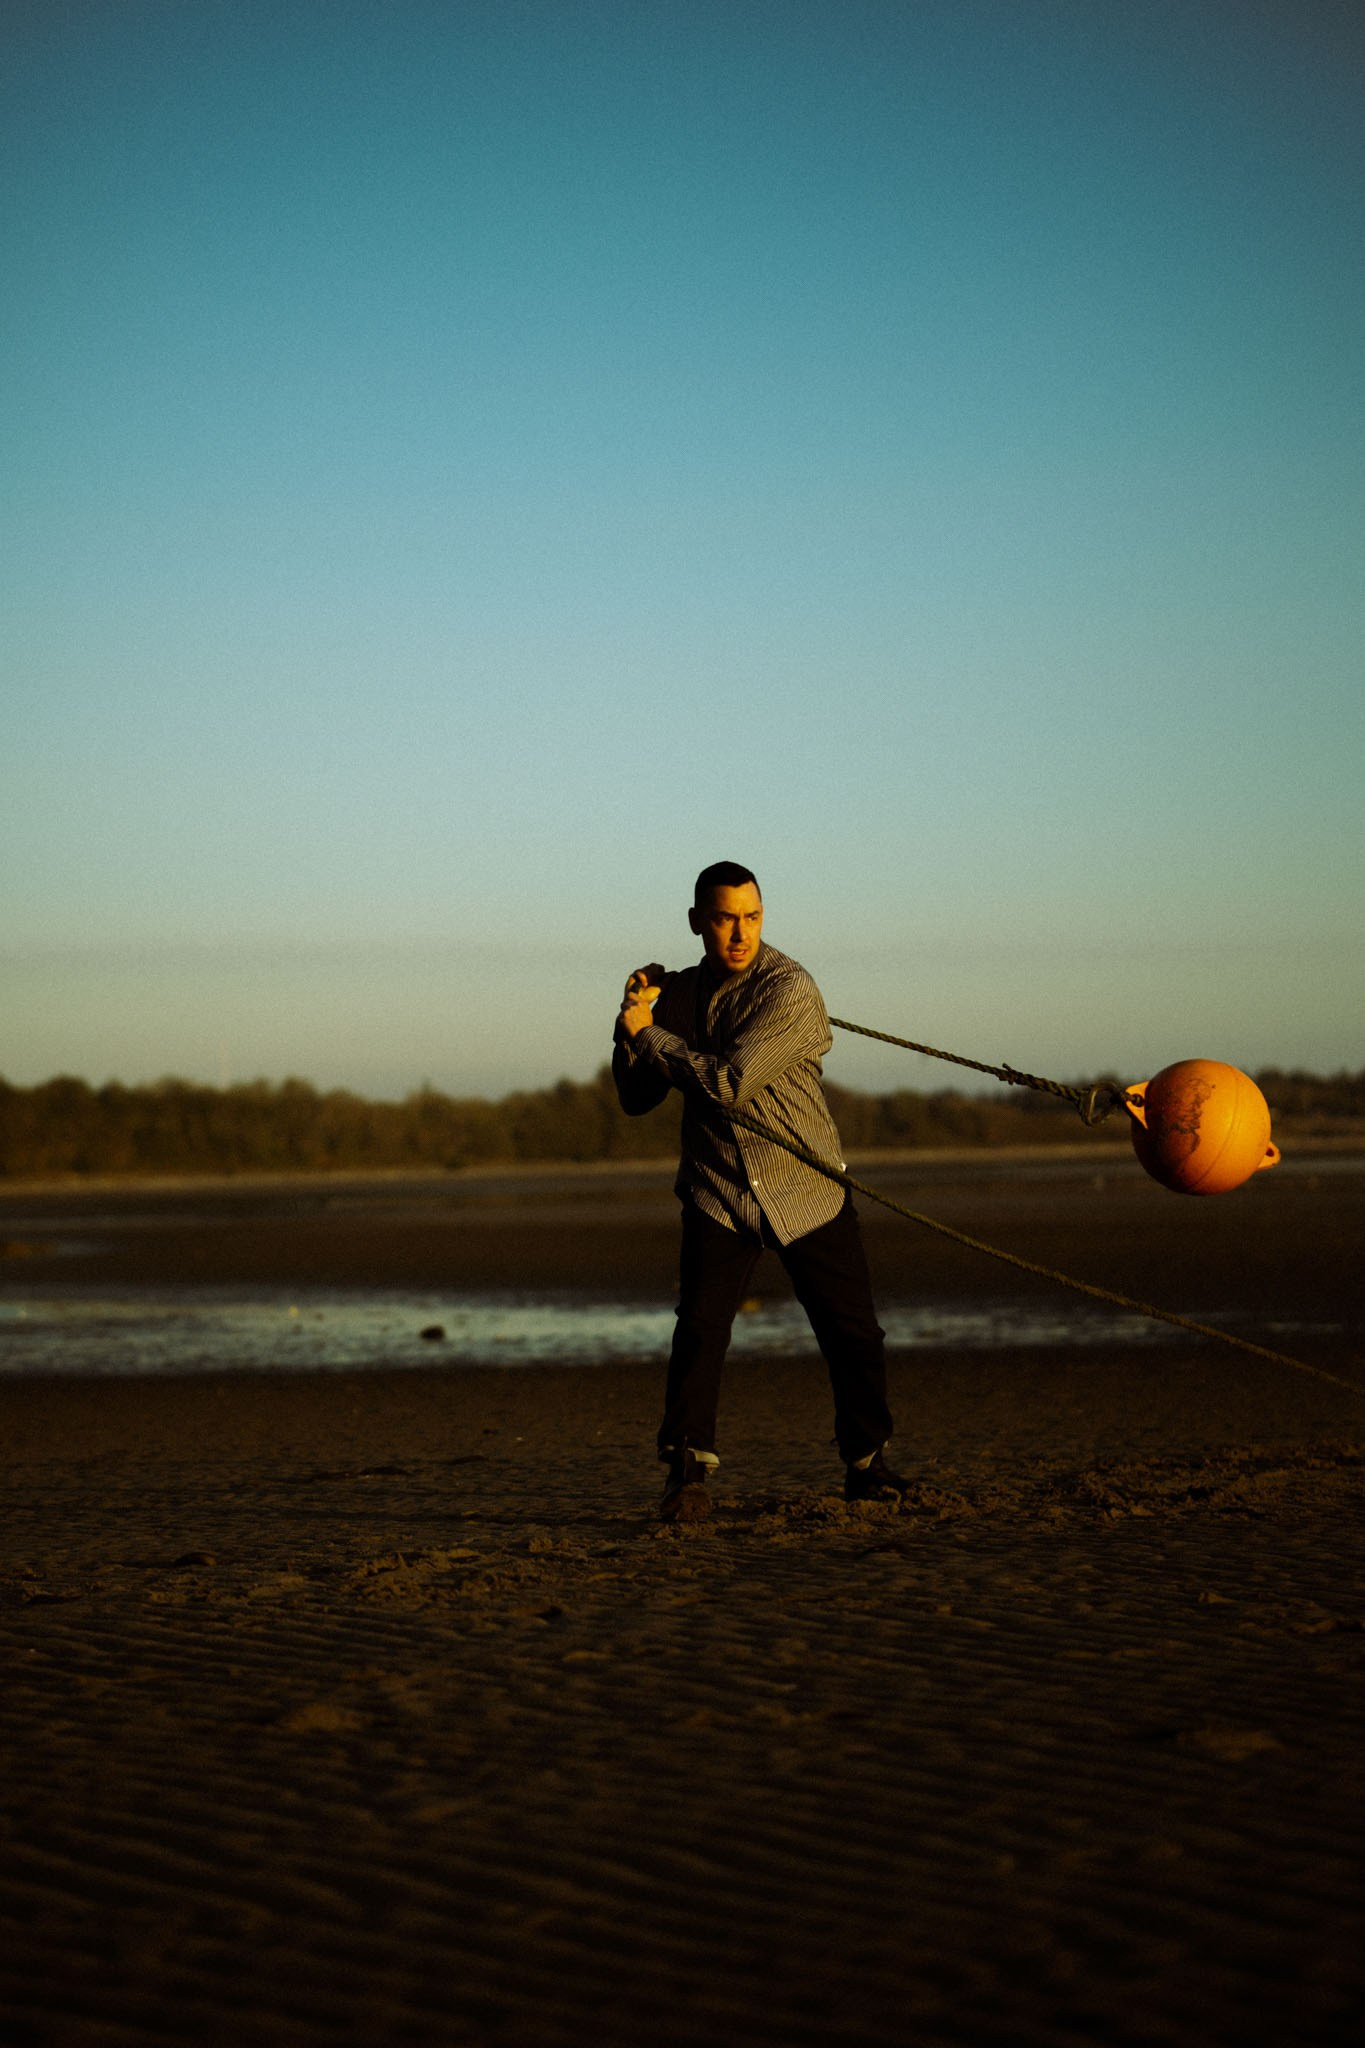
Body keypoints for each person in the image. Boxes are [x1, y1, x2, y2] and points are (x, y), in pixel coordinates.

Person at [613, 861, 911, 1521]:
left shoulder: (789, 989)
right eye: (724, 919)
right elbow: (635, 1097)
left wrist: (648, 1035)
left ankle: (867, 1464)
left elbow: (728, 1085)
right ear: (698, 922)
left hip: (804, 1186)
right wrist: (629, 1020)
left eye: (750, 917)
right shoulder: (678, 996)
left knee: (854, 1333)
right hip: (717, 1188)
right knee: (698, 1330)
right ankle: (686, 1472)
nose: (739, 933)